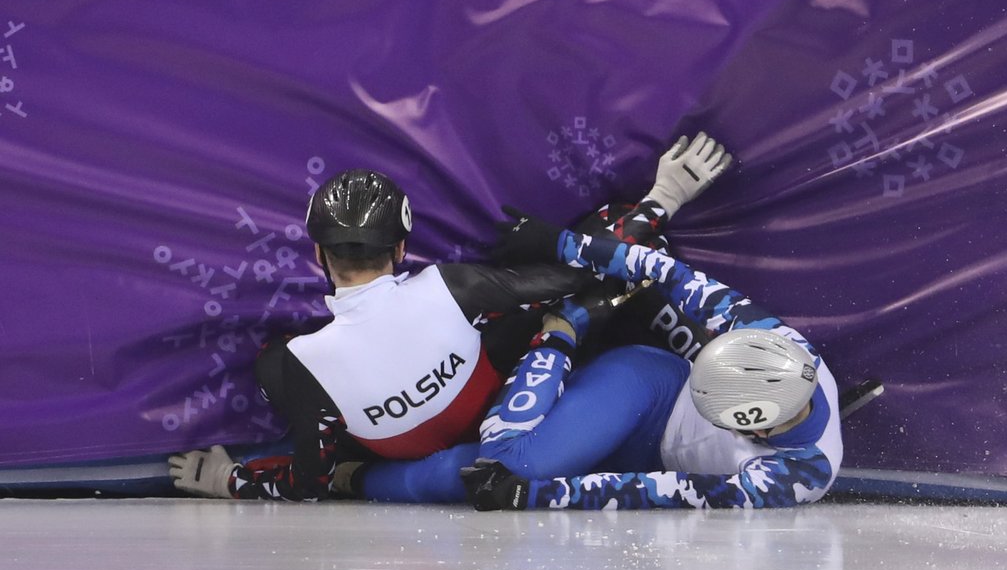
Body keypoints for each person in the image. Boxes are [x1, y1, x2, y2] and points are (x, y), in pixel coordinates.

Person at [169, 131, 734, 501]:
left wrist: (229, 480)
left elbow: (310, 481)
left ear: (318, 255)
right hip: (514, 411)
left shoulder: (291, 364)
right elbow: (591, 274)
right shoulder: (449, 286)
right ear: (400, 251)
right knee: (587, 256)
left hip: (407, 461)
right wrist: (664, 197)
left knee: (291, 385)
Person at [350, 196, 841, 510]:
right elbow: (674, 276)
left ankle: (352, 479)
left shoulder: (795, 478)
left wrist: (535, 495)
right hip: (654, 389)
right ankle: (560, 331)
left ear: (756, 428)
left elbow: (664, 492)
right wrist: (562, 243)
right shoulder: (788, 344)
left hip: (655, 460)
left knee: (497, 476)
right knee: (510, 461)